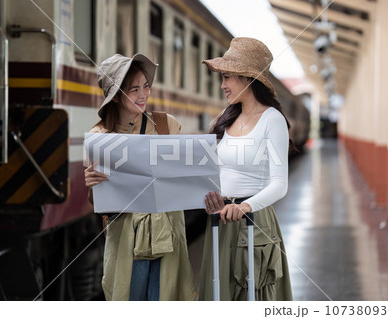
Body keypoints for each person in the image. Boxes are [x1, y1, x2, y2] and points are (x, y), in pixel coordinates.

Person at [84, 53, 196, 301]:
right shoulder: (99, 136)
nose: (143, 94)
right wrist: (92, 185)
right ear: (116, 95)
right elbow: (100, 204)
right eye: (134, 89)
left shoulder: (167, 126)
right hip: (126, 240)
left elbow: (185, 183)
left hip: (168, 236)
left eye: (146, 86)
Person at [199, 37, 293, 301]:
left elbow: (279, 184)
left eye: (227, 77)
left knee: (251, 297)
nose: (223, 85)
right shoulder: (226, 118)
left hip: (253, 223)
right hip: (221, 220)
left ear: (248, 78)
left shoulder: (272, 119)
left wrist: (243, 207)